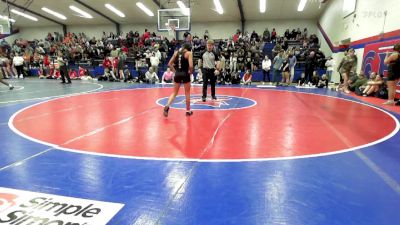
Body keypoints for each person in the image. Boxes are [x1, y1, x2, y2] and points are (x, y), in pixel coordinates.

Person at [163, 43, 194, 117]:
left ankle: (167, 106)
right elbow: (191, 65)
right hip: (185, 74)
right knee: (187, 93)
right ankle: (188, 111)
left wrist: (175, 71)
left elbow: (169, 64)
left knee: (174, 93)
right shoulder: (189, 53)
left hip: (177, 74)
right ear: (188, 48)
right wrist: (190, 72)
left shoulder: (176, 53)